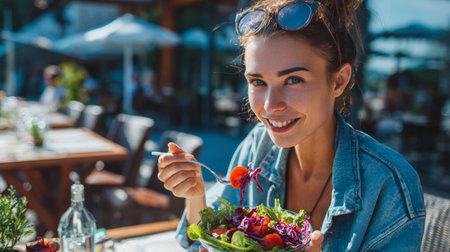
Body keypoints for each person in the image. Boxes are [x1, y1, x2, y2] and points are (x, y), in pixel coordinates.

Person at [157, 0, 425, 251]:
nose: (271, 106)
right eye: (258, 82)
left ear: (339, 81)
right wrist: (195, 198)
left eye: (294, 79)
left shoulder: (388, 185)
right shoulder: (256, 147)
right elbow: (204, 243)